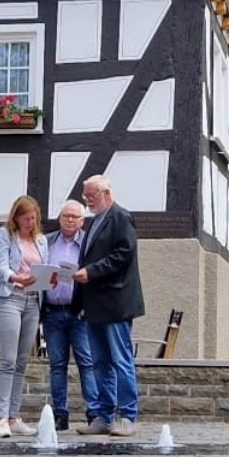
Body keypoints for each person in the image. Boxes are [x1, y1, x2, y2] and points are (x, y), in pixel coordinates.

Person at [74, 175, 145, 437]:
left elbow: (122, 255)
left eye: (90, 196)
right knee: (100, 362)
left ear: (105, 193)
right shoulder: (95, 222)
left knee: (120, 360)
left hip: (116, 302)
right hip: (95, 303)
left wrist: (91, 271)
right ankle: (104, 416)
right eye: (85, 196)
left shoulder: (121, 217)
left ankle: (128, 416)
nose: (87, 201)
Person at [0, 196, 47, 438]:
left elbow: (44, 267)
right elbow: (0, 266)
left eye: (33, 219)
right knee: (9, 360)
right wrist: (15, 277)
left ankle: (15, 415)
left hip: (33, 300)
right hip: (11, 298)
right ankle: (2, 417)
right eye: (26, 219)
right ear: (16, 218)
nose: (30, 223)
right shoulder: (5, 235)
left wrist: (49, 277)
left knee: (23, 360)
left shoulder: (42, 240)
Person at [42, 200, 98, 431]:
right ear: (60, 218)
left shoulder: (88, 243)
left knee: (86, 362)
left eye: (75, 216)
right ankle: (60, 414)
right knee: (57, 365)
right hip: (52, 312)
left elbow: (95, 274)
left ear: (82, 221)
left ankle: (94, 412)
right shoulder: (47, 242)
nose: (70, 220)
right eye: (66, 216)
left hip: (79, 313)